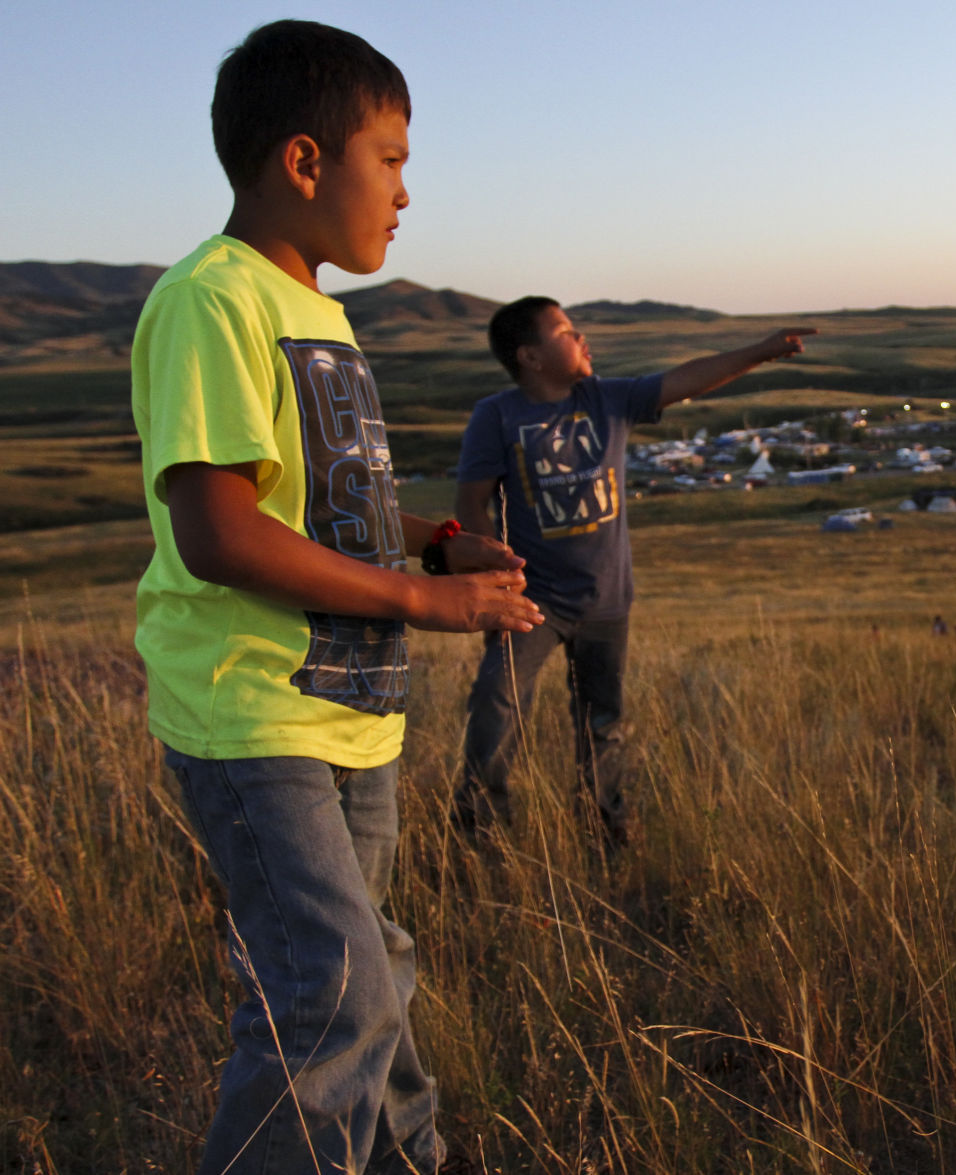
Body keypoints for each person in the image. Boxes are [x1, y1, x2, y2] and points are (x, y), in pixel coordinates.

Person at [131, 21, 543, 1175]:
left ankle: (413, 1154)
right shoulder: (212, 299)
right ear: (306, 162)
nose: (407, 192)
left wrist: (438, 540)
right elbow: (217, 532)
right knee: (334, 989)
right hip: (252, 706)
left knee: (367, 964)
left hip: (349, 704)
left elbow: (321, 502)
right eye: (394, 158)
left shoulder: (321, 310)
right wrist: (424, 605)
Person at [451, 297, 813, 843]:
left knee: (604, 722)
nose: (582, 338)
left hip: (606, 599)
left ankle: (604, 828)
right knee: (498, 704)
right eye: (567, 332)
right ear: (530, 356)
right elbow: (471, 502)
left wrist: (761, 352)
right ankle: (480, 827)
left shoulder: (609, 399)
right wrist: (492, 577)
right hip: (531, 600)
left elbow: (686, 379)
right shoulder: (497, 415)